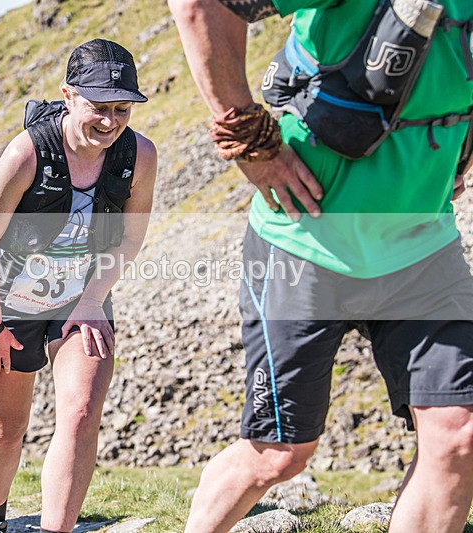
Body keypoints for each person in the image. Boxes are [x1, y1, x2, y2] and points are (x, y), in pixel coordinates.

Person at [168, 0, 473, 531]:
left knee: (458, 436)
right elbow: (200, 5)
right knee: (278, 454)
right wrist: (250, 140)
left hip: (422, 246)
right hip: (302, 242)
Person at [0, 39, 157, 533]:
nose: (111, 122)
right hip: (9, 303)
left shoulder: (139, 156)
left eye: (122, 109)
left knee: (80, 412)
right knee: (7, 430)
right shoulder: (28, 152)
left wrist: (93, 299)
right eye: (99, 108)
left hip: (82, 298)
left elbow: (131, 239)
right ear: (68, 96)